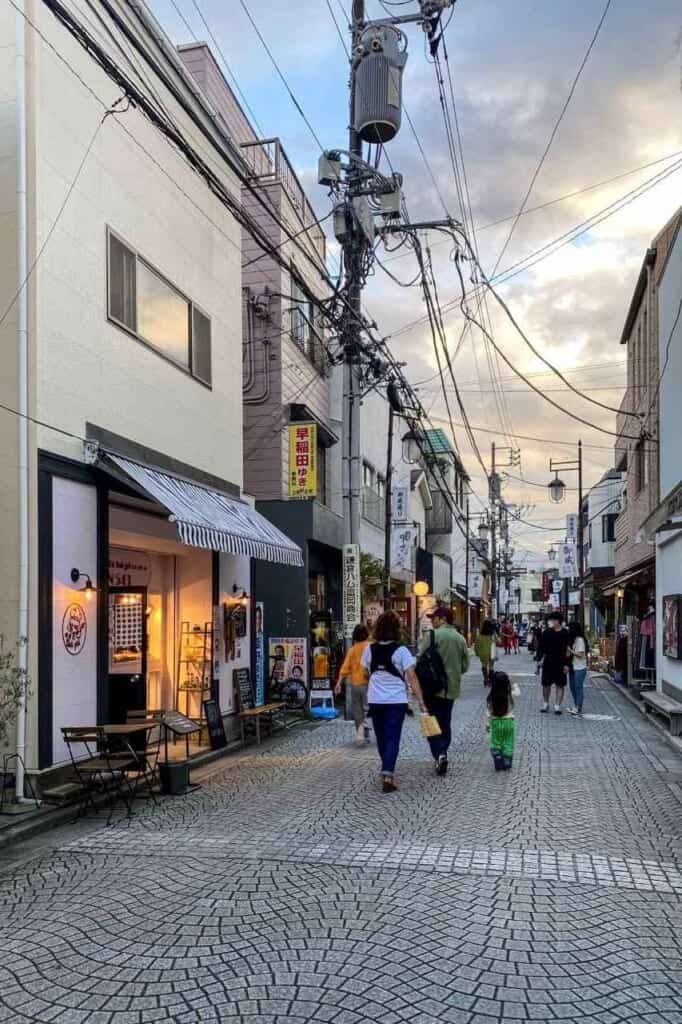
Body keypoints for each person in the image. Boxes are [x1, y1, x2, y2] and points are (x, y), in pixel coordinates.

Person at [361, 610, 426, 793]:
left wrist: (376, 679)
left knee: (381, 737)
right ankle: (388, 774)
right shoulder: (401, 650)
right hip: (396, 700)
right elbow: (411, 676)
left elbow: (365, 672)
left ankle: (386, 768)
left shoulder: (369, 649)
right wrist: (420, 700)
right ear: (397, 629)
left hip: (375, 699)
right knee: (392, 737)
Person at [419, 606, 470, 776]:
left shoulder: (432, 636)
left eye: (434, 618)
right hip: (451, 689)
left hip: (431, 688)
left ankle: (439, 752)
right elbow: (465, 666)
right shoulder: (460, 639)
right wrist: (452, 673)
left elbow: (420, 658)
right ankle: (443, 752)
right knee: (445, 722)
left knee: (431, 722)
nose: (432, 621)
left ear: (443, 619)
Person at [334, 624, 371, 745]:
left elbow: (345, 669)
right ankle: (366, 728)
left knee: (357, 710)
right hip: (368, 684)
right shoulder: (370, 647)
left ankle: (360, 733)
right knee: (368, 708)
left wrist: (339, 683)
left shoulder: (352, 650)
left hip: (355, 684)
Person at [535, 611, 570, 714]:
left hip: (561, 662)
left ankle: (557, 706)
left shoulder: (565, 633)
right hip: (548, 662)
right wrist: (538, 660)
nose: (551, 622)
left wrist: (567, 664)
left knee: (560, 685)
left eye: (553, 620)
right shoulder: (546, 632)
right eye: (551, 620)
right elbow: (541, 648)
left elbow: (568, 650)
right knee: (546, 684)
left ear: (558, 621)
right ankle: (545, 703)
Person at [486, 670, 515, 771]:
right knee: (508, 741)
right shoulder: (509, 695)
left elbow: (488, 712)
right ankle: (507, 761)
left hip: (495, 722)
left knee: (496, 741)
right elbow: (518, 692)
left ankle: (497, 756)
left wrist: (487, 724)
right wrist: (510, 683)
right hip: (508, 721)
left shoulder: (491, 697)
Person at [567, 621, 587, 715]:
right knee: (572, 687)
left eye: (570, 629)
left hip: (580, 667)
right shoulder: (574, 639)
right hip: (573, 666)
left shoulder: (580, 640)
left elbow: (580, 654)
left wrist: (571, 651)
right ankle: (576, 705)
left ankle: (578, 706)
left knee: (578, 687)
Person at [474, 619, 496, 685]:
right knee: (491, 666)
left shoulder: (479, 635)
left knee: (484, 665)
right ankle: (491, 680)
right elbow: (498, 641)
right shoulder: (492, 634)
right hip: (492, 651)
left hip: (483, 652)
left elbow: (476, 645)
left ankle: (485, 679)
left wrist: (477, 652)